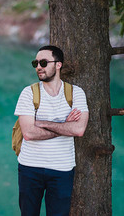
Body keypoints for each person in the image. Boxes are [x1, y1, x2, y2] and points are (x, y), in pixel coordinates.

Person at [14, 45, 89, 216]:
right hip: (29, 168)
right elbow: (29, 133)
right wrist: (64, 126)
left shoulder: (76, 93)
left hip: (62, 170)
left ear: (58, 65)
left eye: (43, 62)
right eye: (36, 63)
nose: (38, 67)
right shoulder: (28, 93)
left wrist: (41, 122)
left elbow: (78, 130)